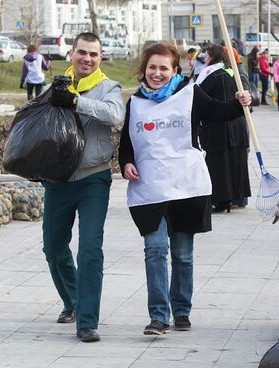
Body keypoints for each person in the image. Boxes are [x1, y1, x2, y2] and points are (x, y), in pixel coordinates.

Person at [118, 42, 251, 336]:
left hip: (185, 185)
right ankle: (158, 316)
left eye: (163, 68)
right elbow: (126, 144)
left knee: (182, 254)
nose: (157, 73)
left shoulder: (189, 94)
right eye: (152, 67)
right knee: (154, 250)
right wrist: (126, 163)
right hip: (149, 188)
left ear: (174, 70)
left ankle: (181, 310)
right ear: (144, 70)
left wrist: (241, 101)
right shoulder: (136, 102)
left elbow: (221, 112)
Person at [41, 32, 125, 343]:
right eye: (81, 53)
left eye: (93, 54)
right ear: (72, 54)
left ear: (100, 58)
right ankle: (73, 300)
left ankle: (87, 321)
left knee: (90, 250)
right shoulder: (59, 84)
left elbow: (115, 115)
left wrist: (77, 102)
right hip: (58, 180)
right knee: (53, 247)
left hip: (94, 178)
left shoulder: (108, 88)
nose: (86, 59)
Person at [197, 44, 252, 212]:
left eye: (206, 56)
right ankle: (238, 198)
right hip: (238, 126)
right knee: (237, 163)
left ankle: (221, 200)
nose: (204, 59)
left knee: (219, 165)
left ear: (214, 57)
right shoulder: (236, 74)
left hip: (219, 127)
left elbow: (198, 98)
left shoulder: (210, 75)